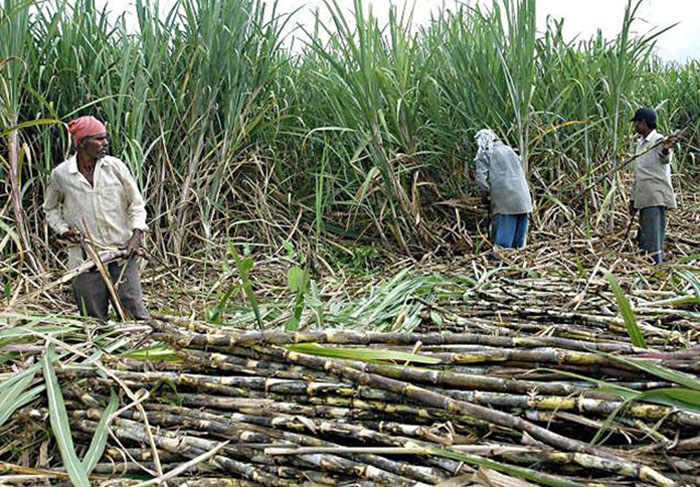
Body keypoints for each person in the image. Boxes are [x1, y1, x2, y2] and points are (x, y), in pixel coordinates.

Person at [44, 115, 150, 321]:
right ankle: (101, 352)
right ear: (82, 143)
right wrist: (64, 230)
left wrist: (136, 234)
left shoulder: (115, 167)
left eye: (105, 138)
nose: (105, 143)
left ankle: (138, 349)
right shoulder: (62, 175)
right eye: (98, 139)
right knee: (93, 320)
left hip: (121, 252)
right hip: (86, 257)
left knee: (134, 314)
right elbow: (50, 209)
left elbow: (136, 203)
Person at [629, 108, 678, 264]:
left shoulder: (659, 141)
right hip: (643, 196)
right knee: (644, 236)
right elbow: (639, 174)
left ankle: (656, 266)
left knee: (653, 237)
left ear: (643, 123)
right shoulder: (641, 143)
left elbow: (665, 157)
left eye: (636, 123)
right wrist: (633, 199)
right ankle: (647, 264)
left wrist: (665, 149)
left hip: (655, 195)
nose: (635, 126)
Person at [475, 129, 533, 249]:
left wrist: (485, 197)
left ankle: (498, 264)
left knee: (503, 245)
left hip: (505, 202)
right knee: (518, 246)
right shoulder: (509, 150)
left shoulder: (485, 153)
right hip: (524, 199)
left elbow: (481, 179)